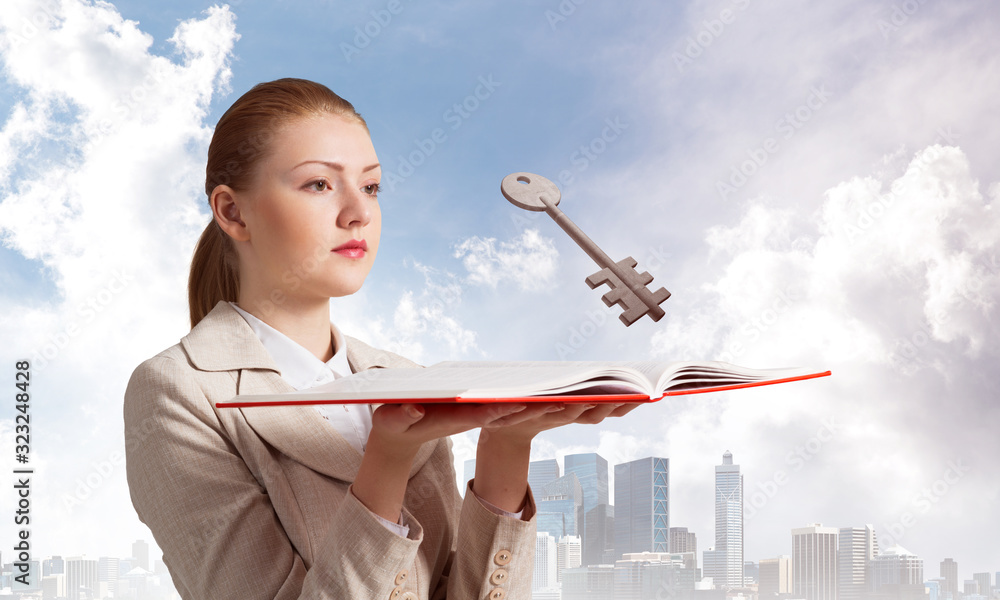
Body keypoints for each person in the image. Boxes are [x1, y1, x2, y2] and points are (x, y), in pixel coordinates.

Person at [124, 78, 638, 600]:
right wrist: (387, 457)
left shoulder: (405, 377)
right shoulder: (177, 392)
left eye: (370, 187)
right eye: (319, 185)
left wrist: (506, 443)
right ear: (234, 212)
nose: (359, 213)